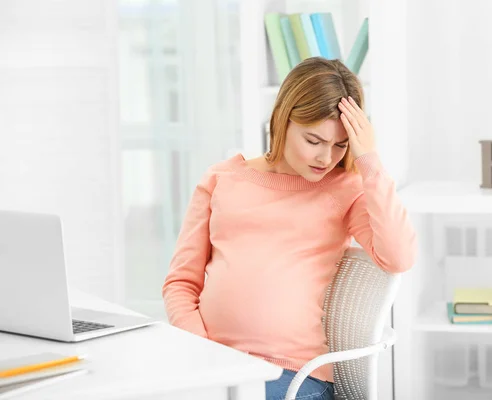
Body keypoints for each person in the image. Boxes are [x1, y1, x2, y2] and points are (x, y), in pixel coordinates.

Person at [162, 57, 417, 400]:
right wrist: (206, 356)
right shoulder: (221, 179)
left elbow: (398, 257)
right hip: (215, 365)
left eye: (340, 145)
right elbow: (180, 283)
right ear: (282, 120)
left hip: (293, 375)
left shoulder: (345, 188)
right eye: (314, 140)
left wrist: (368, 161)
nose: (326, 158)